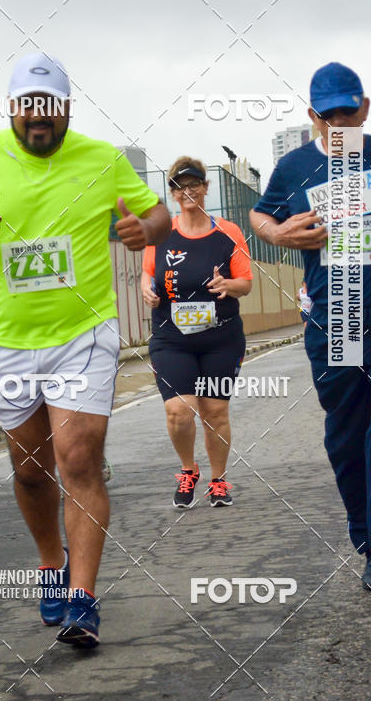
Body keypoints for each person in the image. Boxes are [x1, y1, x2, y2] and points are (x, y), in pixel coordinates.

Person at [0, 52, 171, 647]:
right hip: (11, 344)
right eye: (28, 108)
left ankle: (84, 601)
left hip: (83, 336)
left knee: (79, 460)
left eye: (50, 108)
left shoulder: (101, 159)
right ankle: (51, 566)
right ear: (13, 109)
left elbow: (159, 212)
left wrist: (150, 230)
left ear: (65, 109)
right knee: (32, 473)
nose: (39, 119)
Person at [250, 61, 371, 599]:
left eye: (347, 112)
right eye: (327, 115)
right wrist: (281, 232)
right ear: (312, 116)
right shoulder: (295, 168)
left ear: (366, 108)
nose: (339, 123)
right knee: (349, 439)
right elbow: (261, 217)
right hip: (338, 321)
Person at [141, 157, 253, 509]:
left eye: (193, 185)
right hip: (171, 338)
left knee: (215, 412)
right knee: (179, 410)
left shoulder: (228, 232)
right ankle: (189, 470)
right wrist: (147, 289)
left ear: (205, 188)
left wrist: (228, 285)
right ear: (172, 193)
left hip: (220, 337)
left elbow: (246, 284)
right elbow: (148, 273)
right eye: (179, 187)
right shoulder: (159, 234)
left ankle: (218, 480)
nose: (187, 192)